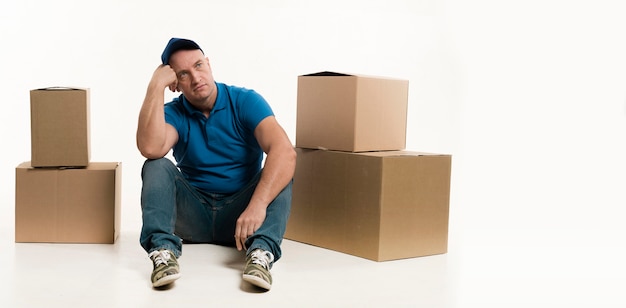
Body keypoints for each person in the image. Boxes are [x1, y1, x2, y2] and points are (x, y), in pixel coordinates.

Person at [136, 37, 296, 290]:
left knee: (281, 169)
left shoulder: (245, 101)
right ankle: (163, 253)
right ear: (175, 84)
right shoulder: (174, 113)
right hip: (192, 215)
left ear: (209, 64)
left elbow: (285, 153)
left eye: (199, 66)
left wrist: (257, 206)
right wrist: (154, 86)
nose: (197, 78)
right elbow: (150, 148)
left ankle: (261, 253)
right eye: (184, 74)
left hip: (242, 218)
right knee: (155, 165)